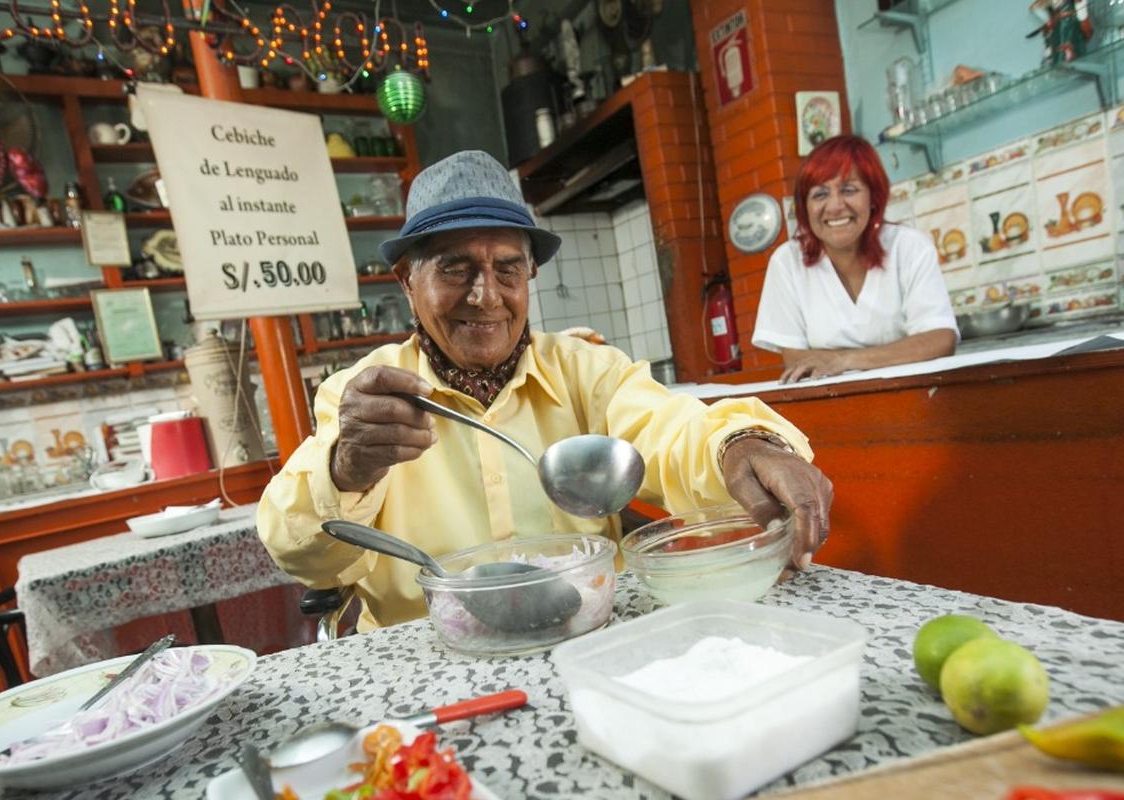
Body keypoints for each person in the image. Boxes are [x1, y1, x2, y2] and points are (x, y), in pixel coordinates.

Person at [258, 150, 832, 631]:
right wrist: (345, 470)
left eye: (507, 269)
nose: (485, 295)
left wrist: (743, 445)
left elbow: (671, 429)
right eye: (456, 269)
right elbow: (300, 554)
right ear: (408, 279)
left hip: (585, 639)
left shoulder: (584, 371)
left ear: (530, 274)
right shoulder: (364, 397)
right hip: (430, 661)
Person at [753, 135, 959, 383]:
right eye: (819, 194)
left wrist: (843, 360)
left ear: (874, 198)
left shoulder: (909, 247)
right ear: (804, 208)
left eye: (849, 190)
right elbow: (796, 358)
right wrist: (896, 352)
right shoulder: (787, 262)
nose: (835, 206)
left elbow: (939, 339)